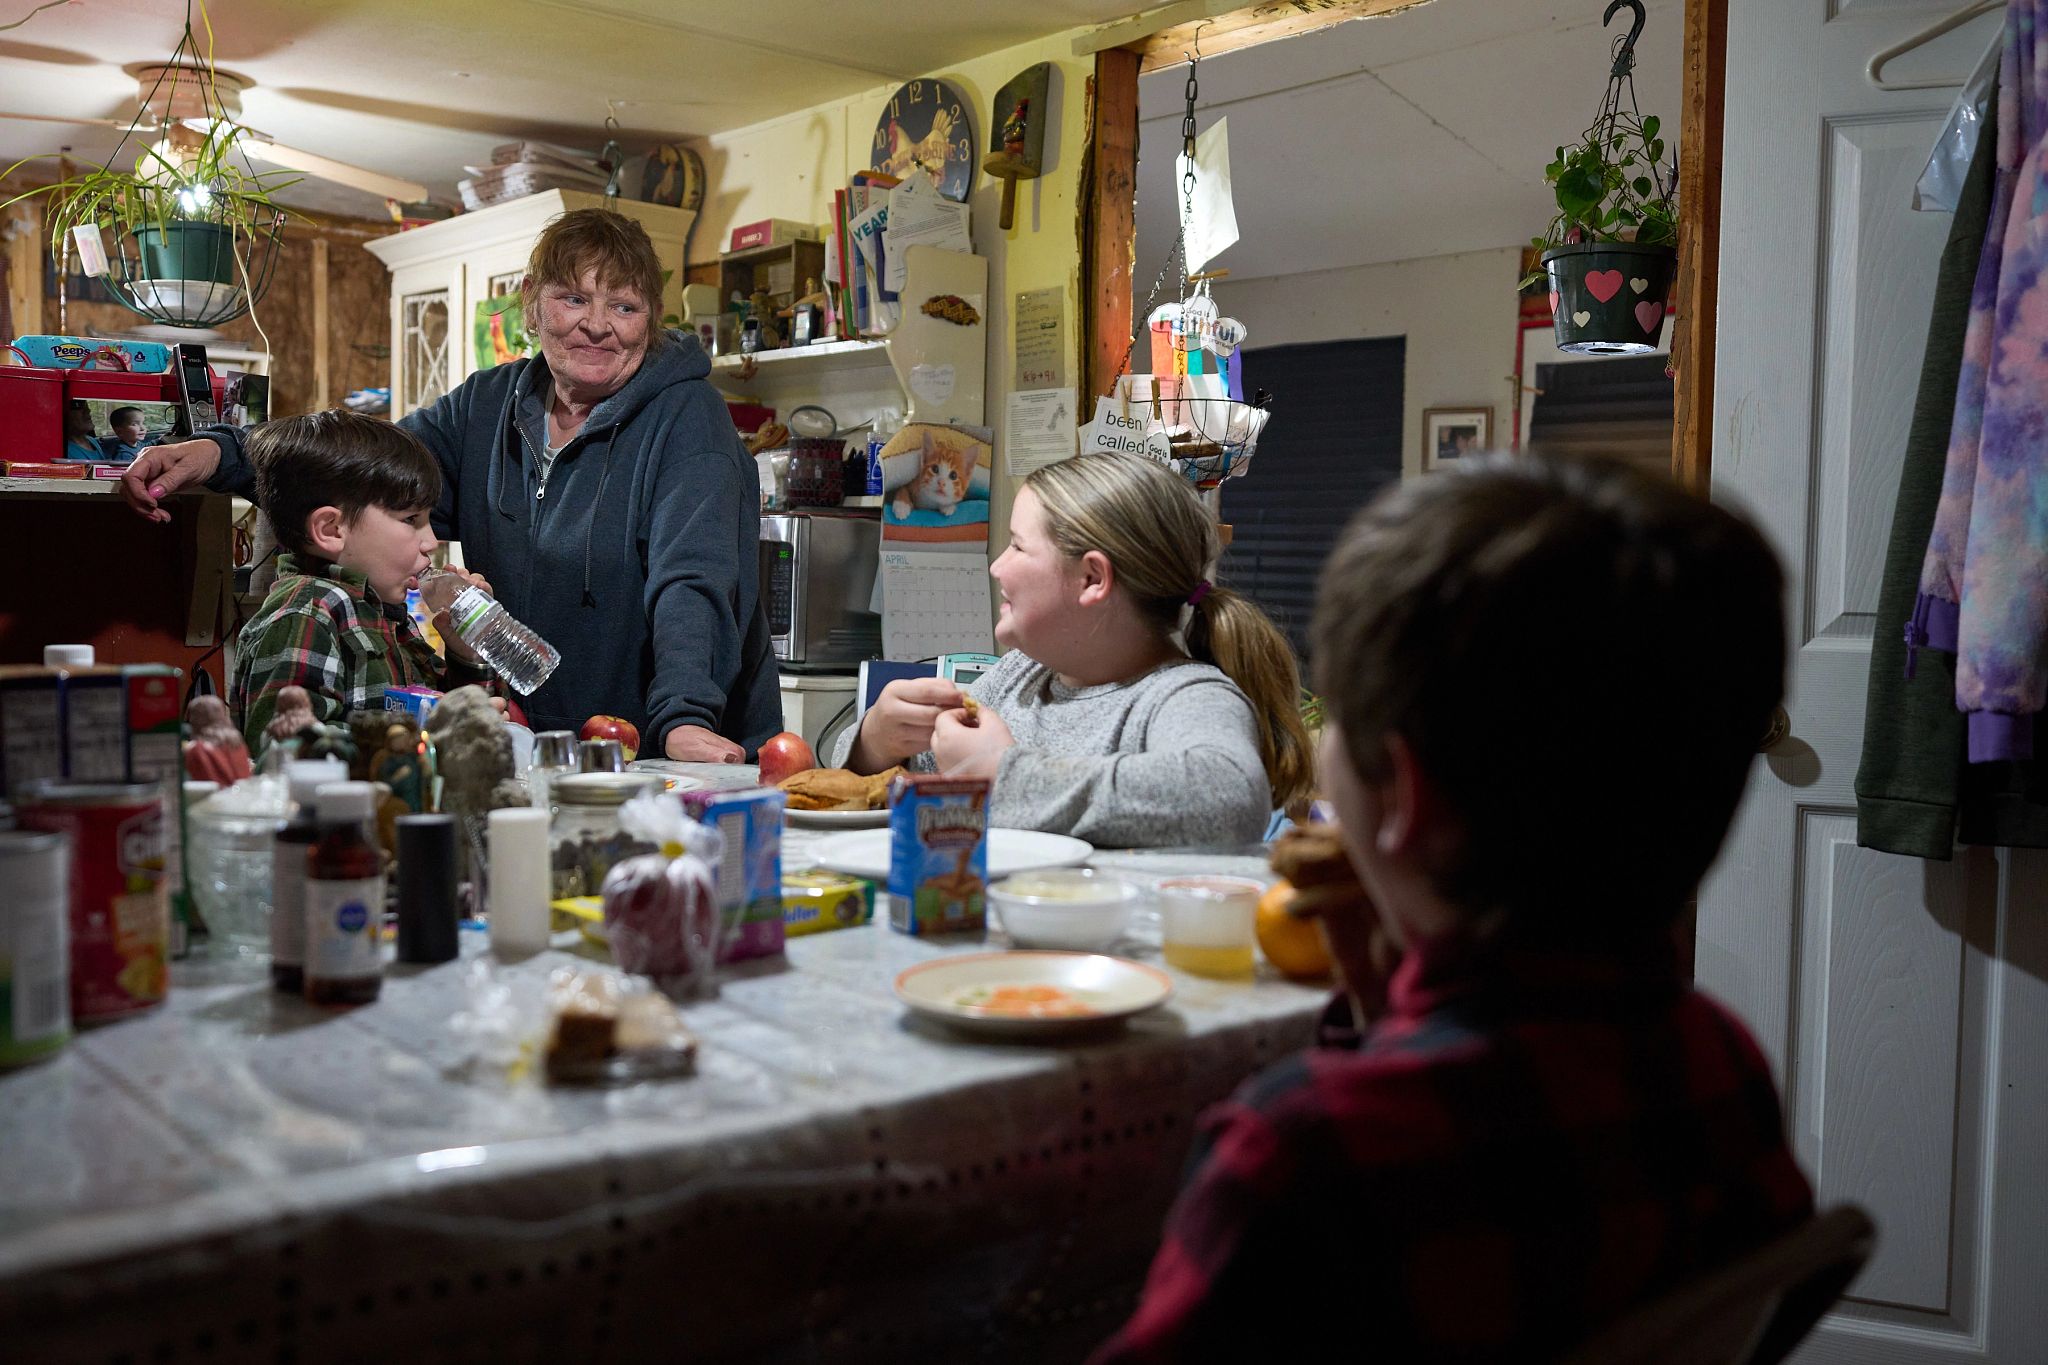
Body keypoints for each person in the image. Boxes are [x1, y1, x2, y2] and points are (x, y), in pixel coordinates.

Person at [1092, 454, 1815, 1363]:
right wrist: (1371, 1000)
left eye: (1338, 726)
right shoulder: (1725, 1062)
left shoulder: (1297, 1159)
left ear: (1404, 800)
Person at [122, 208, 780, 761]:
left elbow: (695, 580)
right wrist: (220, 451)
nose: (598, 324)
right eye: (574, 297)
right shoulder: (488, 406)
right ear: (531, 299)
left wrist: (686, 718)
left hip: (657, 749)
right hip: (537, 748)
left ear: (652, 317)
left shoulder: (689, 421)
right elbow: (357, 466)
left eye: (625, 305)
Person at [843, 452, 1314, 846]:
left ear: (1091, 579)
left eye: (1017, 547)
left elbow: (1229, 799)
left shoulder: (1186, 696)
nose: (997, 567)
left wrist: (1002, 775)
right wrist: (876, 743)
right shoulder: (1018, 676)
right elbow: (916, 773)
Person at [230, 411, 492, 756]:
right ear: (330, 530)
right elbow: (288, 755)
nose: (430, 541)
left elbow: (441, 709)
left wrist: (465, 655)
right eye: (411, 519)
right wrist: (428, 738)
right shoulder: (306, 615)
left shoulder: (384, 613)